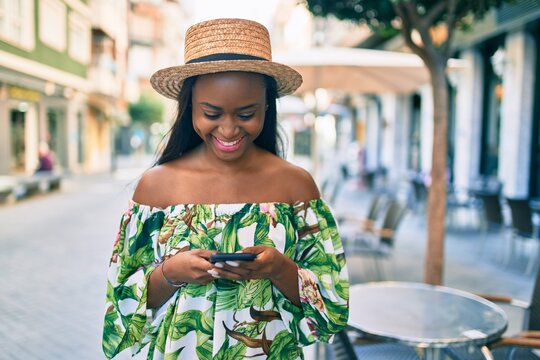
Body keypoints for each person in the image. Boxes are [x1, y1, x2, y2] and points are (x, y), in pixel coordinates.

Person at [102, 18, 349, 360]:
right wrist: (170, 273)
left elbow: (333, 305)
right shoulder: (155, 188)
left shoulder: (297, 186)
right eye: (212, 113)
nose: (229, 129)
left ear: (266, 106)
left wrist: (279, 268)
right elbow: (119, 306)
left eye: (246, 113)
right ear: (190, 108)